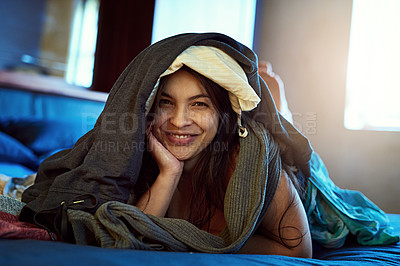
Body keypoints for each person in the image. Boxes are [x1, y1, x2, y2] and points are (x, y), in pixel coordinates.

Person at [18, 33, 398, 255]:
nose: (179, 121)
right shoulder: (138, 154)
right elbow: (134, 231)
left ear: (222, 115)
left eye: (198, 104)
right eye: (166, 103)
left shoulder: (253, 164)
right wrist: (169, 172)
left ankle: (280, 106)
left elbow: (299, 250)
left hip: (298, 175)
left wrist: (214, 239)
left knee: (295, 149)